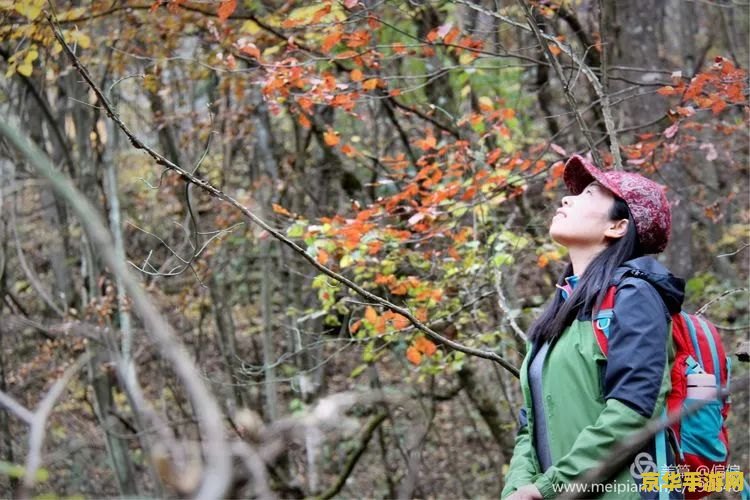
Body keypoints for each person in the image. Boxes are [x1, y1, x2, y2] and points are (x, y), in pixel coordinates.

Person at [501, 155, 685, 499]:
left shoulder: (635, 296)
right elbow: (530, 426)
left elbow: (632, 411)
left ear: (617, 227)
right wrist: (518, 487)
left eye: (588, 195)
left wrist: (548, 487)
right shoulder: (560, 309)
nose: (566, 198)